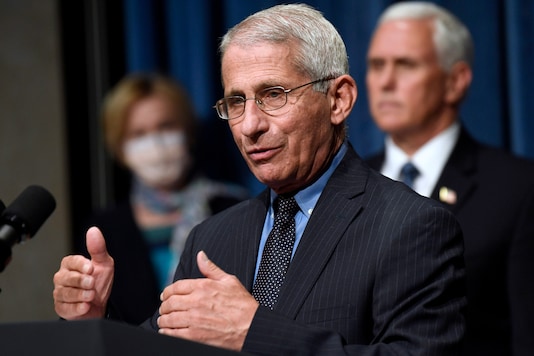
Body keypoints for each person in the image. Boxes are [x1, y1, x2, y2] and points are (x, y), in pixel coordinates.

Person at [53, 4, 467, 354]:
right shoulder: (210, 238)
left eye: (273, 95)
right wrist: (94, 323)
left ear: (338, 99)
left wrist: (255, 334)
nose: (250, 125)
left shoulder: (411, 226)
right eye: (236, 101)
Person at [364, 2, 534, 355]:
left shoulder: (519, 189)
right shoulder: (343, 185)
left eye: (405, 65)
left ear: (455, 81)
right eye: (376, 66)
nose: (386, 82)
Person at [76, 73, 249, 325]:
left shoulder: (234, 208)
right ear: (120, 148)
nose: (155, 142)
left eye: (166, 126)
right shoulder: (103, 230)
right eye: (138, 134)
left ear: (187, 132)